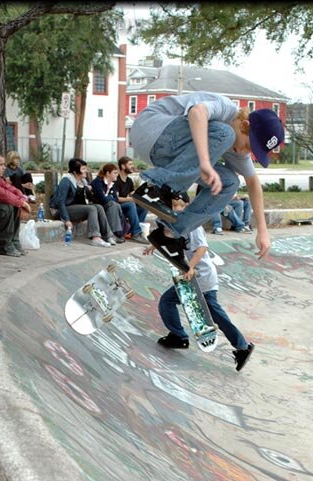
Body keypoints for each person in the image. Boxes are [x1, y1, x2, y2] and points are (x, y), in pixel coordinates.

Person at [130, 92, 285, 272]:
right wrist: (205, 162)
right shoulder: (225, 109)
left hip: (166, 154)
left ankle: (169, 234)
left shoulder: (238, 149)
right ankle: (153, 188)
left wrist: (263, 231)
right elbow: (197, 112)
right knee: (224, 133)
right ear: (244, 125)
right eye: (250, 146)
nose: (245, 153)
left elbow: (253, 183)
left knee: (230, 183)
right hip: (151, 129)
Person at [144, 193, 254, 371]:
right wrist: (152, 246)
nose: (177, 209)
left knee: (211, 312)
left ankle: (241, 346)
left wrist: (190, 267)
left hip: (201, 276)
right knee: (170, 302)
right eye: (174, 206)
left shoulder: (192, 226)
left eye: (181, 205)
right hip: (191, 277)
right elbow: (166, 238)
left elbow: (202, 248)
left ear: (187, 207)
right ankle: (180, 336)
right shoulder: (175, 224)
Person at [50, 158, 115, 247]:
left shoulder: (83, 182)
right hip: (62, 210)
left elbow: (88, 200)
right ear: (75, 171)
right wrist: (67, 220)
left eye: (85, 168)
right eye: (83, 169)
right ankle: (95, 237)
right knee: (91, 208)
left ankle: (108, 236)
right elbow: (60, 202)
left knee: (98, 207)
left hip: (75, 208)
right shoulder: (66, 181)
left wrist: (89, 191)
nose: (86, 171)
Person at [114, 156, 149, 244]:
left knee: (144, 206)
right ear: (123, 166)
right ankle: (136, 233)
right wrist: (131, 199)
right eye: (130, 164)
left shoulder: (129, 180)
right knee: (131, 204)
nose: (132, 166)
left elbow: (133, 194)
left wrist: (144, 197)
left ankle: (134, 231)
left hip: (127, 207)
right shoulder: (116, 180)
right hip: (117, 207)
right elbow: (116, 198)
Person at [90, 163, 127, 243]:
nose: (117, 175)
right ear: (108, 173)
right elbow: (103, 199)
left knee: (115, 204)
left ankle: (116, 234)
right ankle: (114, 234)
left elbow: (116, 199)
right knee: (113, 204)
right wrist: (110, 197)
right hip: (97, 206)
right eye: (115, 173)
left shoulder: (112, 184)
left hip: (107, 206)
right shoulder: (98, 182)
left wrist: (109, 197)